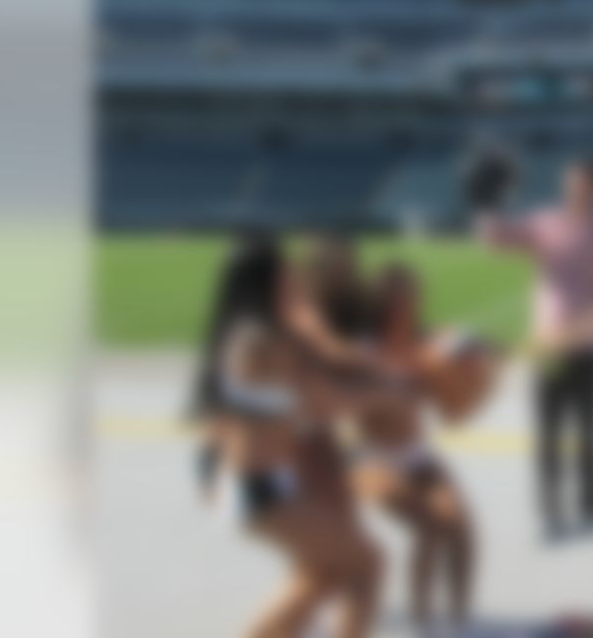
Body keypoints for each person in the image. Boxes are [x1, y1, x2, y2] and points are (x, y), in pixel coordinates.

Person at [191, 235, 386, 638]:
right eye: (286, 270)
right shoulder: (265, 339)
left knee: (323, 576)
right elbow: (324, 403)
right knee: (367, 563)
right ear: (270, 279)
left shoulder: (245, 332)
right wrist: (389, 393)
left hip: (264, 484)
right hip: (261, 489)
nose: (294, 272)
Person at [473, 157, 593, 540]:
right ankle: (549, 506)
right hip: (551, 347)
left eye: (585, 185)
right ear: (565, 186)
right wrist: (488, 204)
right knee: (548, 432)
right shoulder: (545, 223)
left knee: (592, 432)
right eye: (572, 184)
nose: (577, 191)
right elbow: (494, 240)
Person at [302, 241, 477, 635]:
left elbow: (454, 409)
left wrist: (465, 366)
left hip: (418, 456)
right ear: (383, 304)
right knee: (429, 529)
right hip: (371, 459)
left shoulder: (424, 345)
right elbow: (334, 372)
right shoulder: (362, 350)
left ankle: (462, 619)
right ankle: (422, 620)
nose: (409, 306)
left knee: (461, 527)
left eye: (413, 297)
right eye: (400, 299)